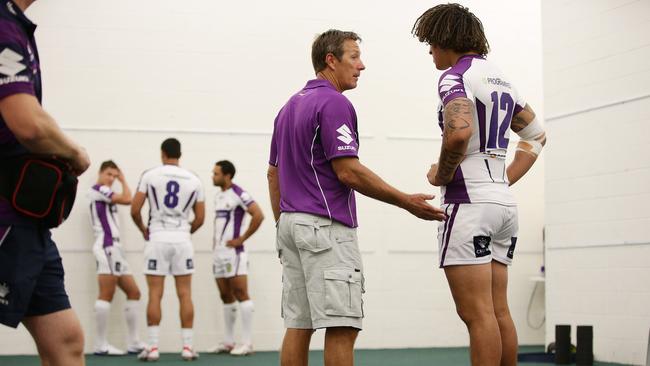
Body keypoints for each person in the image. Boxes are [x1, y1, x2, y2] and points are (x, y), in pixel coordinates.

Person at [267, 29, 446, 366]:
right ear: (330, 60)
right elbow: (348, 171)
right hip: (325, 227)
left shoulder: (288, 107)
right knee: (341, 326)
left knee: (298, 325)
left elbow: (273, 173)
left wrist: (283, 223)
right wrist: (405, 200)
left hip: (291, 225)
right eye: (354, 57)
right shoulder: (334, 102)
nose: (361, 66)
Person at [412, 4, 546, 366]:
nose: (429, 51)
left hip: (469, 205)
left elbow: (458, 134)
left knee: (477, 315)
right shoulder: (502, 78)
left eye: (430, 43)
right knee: (498, 310)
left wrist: (440, 174)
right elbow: (536, 137)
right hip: (503, 205)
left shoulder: (455, 77)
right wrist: (503, 179)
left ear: (445, 39)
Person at [0, 1, 90, 365]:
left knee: (65, 339)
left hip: (26, 221)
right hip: (6, 217)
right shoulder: (3, 25)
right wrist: (74, 153)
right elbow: (28, 124)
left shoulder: (14, 25)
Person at [131, 138, 205, 361]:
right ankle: (187, 347)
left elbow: (134, 210)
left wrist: (144, 229)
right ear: (179, 154)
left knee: (155, 293)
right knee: (185, 294)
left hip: (157, 237)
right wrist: (185, 231)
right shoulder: (194, 179)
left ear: (162, 153)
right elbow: (200, 218)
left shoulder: (150, 175)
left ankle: (153, 348)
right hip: (182, 239)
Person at [88, 160, 145, 355]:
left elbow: (127, 198)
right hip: (106, 246)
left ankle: (134, 342)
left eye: (115, 175)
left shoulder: (106, 191)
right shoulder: (98, 189)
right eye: (109, 174)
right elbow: (129, 199)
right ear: (101, 173)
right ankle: (100, 344)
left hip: (116, 248)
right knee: (106, 293)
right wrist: (122, 180)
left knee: (134, 292)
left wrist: (122, 180)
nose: (111, 179)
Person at [208, 160, 264, 356]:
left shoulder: (239, 193)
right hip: (219, 254)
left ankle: (247, 343)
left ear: (227, 175)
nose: (212, 176)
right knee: (225, 295)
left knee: (241, 293)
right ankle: (229, 342)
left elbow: (258, 215)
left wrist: (242, 238)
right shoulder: (217, 196)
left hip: (234, 254)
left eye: (216, 173)